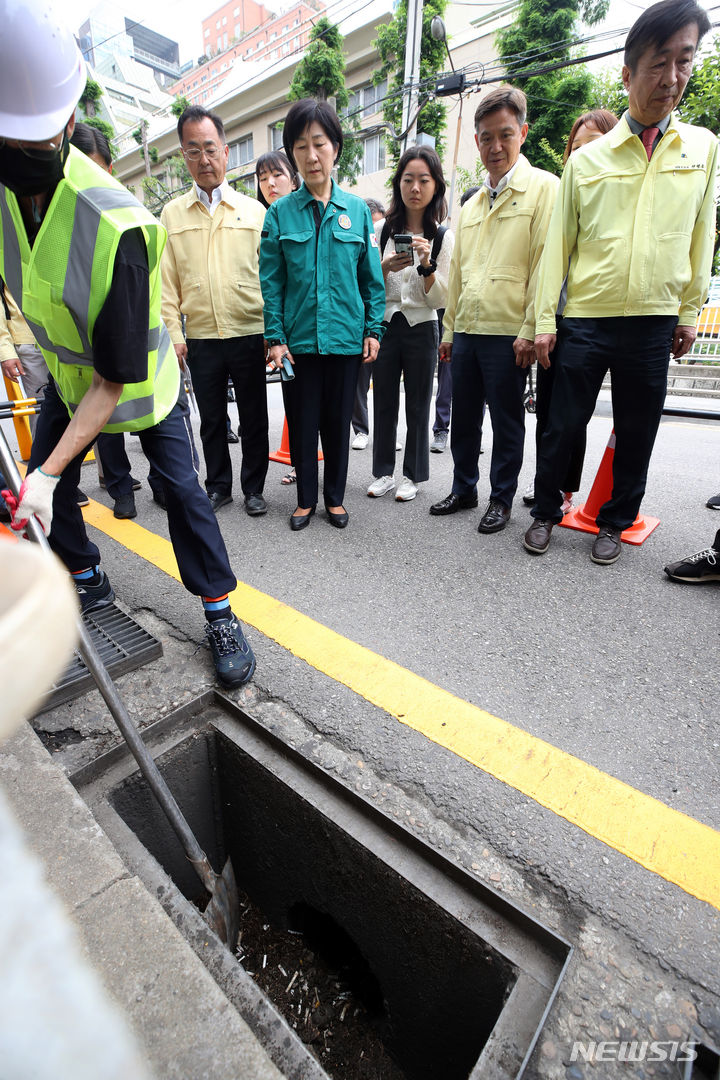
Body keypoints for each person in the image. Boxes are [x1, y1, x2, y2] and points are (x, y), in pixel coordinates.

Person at [0, 0, 255, 689]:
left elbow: (114, 382)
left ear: (68, 126)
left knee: (180, 494)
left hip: (140, 387)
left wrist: (53, 474)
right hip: (68, 381)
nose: (18, 159)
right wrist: (45, 478)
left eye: (32, 144)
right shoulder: (3, 195)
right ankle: (88, 576)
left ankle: (219, 610)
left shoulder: (119, 226)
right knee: (36, 492)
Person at [526, 0, 717, 565]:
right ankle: (543, 512)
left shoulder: (702, 149)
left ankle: (615, 520)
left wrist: (688, 311)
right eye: (660, 63)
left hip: (654, 320)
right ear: (629, 73)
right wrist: (543, 323)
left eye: (684, 61)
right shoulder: (587, 162)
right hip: (586, 315)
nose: (673, 78)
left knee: (638, 430)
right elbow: (557, 248)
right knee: (562, 424)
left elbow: (701, 234)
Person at [430, 86, 559, 533]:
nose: (495, 146)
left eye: (505, 134)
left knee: (506, 423)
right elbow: (460, 273)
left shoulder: (545, 189)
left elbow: (546, 264)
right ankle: (464, 488)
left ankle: (500, 499)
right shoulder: (469, 206)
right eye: (486, 137)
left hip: (511, 333)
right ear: (477, 142)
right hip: (466, 330)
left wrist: (532, 327)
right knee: (463, 419)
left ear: (523, 132)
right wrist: (448, 333)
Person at [259, 98, 385, 531]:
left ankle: (334, 499)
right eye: (300, 147)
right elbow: (271, 282)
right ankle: (305, 500)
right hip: (297, 344)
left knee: (336, 423)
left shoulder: (356, 213)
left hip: (346, 338)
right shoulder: (280, 213)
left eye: (319, 144)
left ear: (335, 148)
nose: (311, 156)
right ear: (292, 155)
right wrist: (275, 338)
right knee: (303, 420)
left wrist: (373, 329)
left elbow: (371, 279)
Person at [161, 105, 269, 517]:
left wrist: (273, 335)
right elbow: (166, 282)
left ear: (225, 151)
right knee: (211, 418)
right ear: (183, 156)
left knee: (255, 416)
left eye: (210, 148)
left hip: (249, 331)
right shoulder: (172, 214)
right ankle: (218, 485)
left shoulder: (254, 211)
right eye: (193, 151)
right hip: (202, 336)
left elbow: (270, 279)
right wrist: (174, 334)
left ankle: (254, 488)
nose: (203, 159)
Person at [522, 109, 619, 513]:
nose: (582, 154)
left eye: (593, 144)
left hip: (592, 318)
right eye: (575, 147)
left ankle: (565, 491)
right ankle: (547, 484)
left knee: (572, 414)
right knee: (548, 410)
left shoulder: (618, 198)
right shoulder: (565, 195)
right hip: (554, 317)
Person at [367, 147, 453, 503]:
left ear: (435, 186)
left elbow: (442, 298)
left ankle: (412, 475)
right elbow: (368, 283)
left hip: (422, 325)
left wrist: (426, 263)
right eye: (407, 179)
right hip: (387, 325)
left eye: (423, 180)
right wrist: (385, 265)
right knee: (383, 399)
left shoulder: (444, 235)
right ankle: (384, 472)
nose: (415, 187)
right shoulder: (381, 228)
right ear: (398, 184)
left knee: (418, 402)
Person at [70, 121, 145, 520]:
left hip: (138, 340)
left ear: (110, 171)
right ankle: (120, 488)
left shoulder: (129, 216)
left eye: (97, 170)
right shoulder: (60, 222)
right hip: (85, 345)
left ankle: (164, 485)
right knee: (106, 421)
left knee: (150, 417)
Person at [255, 150, 300, 485]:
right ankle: (300, 464)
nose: (270, 183)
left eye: (277, 175)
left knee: (318, 403)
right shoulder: (260, 217)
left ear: (293, 178)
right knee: (294, 401)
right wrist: (273, 335)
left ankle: (313, 470)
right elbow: (267, 283)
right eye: (263, 177)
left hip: (304, 326)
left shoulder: (305, 214)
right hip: (275, 328)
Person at [431, 185, 481, 456]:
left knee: (479, 391)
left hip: (489, 323)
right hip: (450, 319)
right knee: (447, 379)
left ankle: (476, 434)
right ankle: (441, 430)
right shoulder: (456, 238)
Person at [351, 196, 388, 453]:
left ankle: (386, 433)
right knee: (360, 382)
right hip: (359, 321)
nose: (374, 231)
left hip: (387, 320)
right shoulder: (355, 237)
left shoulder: (389, 237)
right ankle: (361, 430)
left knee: (386, 384)